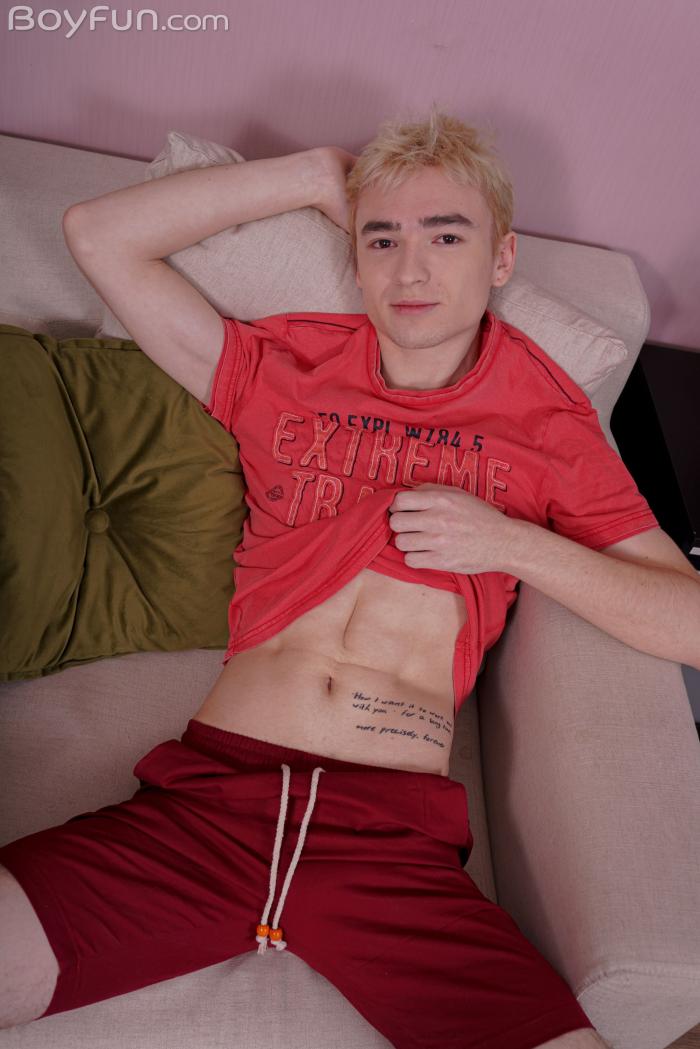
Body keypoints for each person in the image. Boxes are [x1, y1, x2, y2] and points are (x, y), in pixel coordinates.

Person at [2, 106, 697, 1048]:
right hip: (207, 801)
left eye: (446, 236)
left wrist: (513, 545)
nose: (411, 270)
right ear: (357, 259)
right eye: (382, 239)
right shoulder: (286, 367)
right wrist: (309, 175)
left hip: (389, 841)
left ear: (501, 258)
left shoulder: (549, 424)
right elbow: (97, 234)